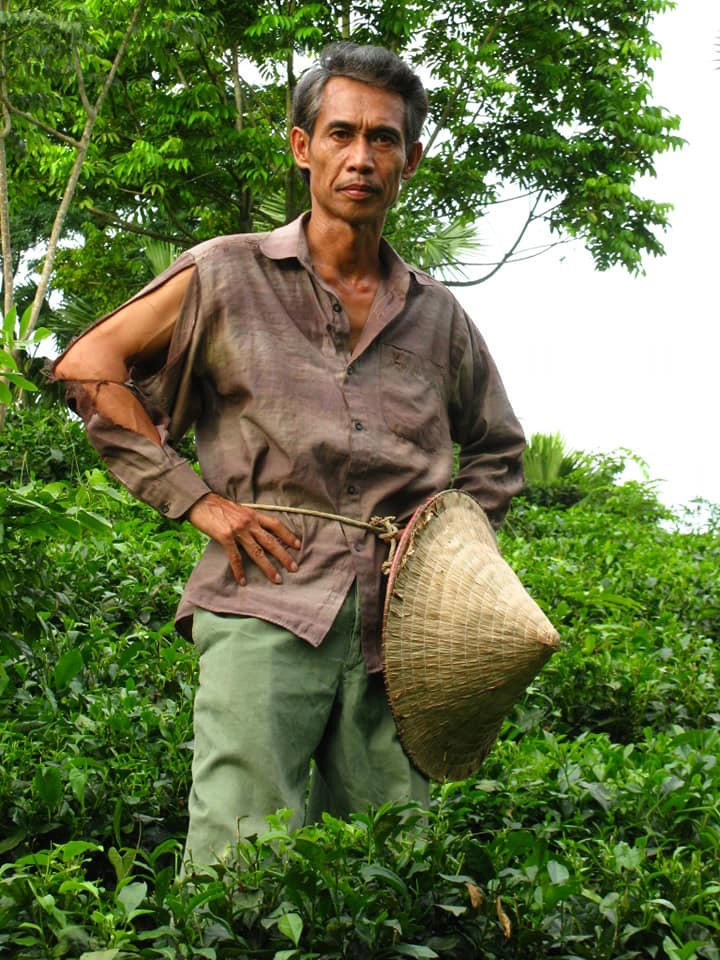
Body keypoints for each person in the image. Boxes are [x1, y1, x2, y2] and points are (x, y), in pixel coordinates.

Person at [53, 42, 526, 868]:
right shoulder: (227, 273)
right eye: (341, 134)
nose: (361, 157)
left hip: (400, 631)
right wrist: (195, 500)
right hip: (263, 597)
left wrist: (453, 549)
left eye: (383, 139)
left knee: (388, 866)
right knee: (238, 850)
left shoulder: (439, 316)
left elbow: (497, 447)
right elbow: (89, 365)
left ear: (410, 160)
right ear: (303, 147)